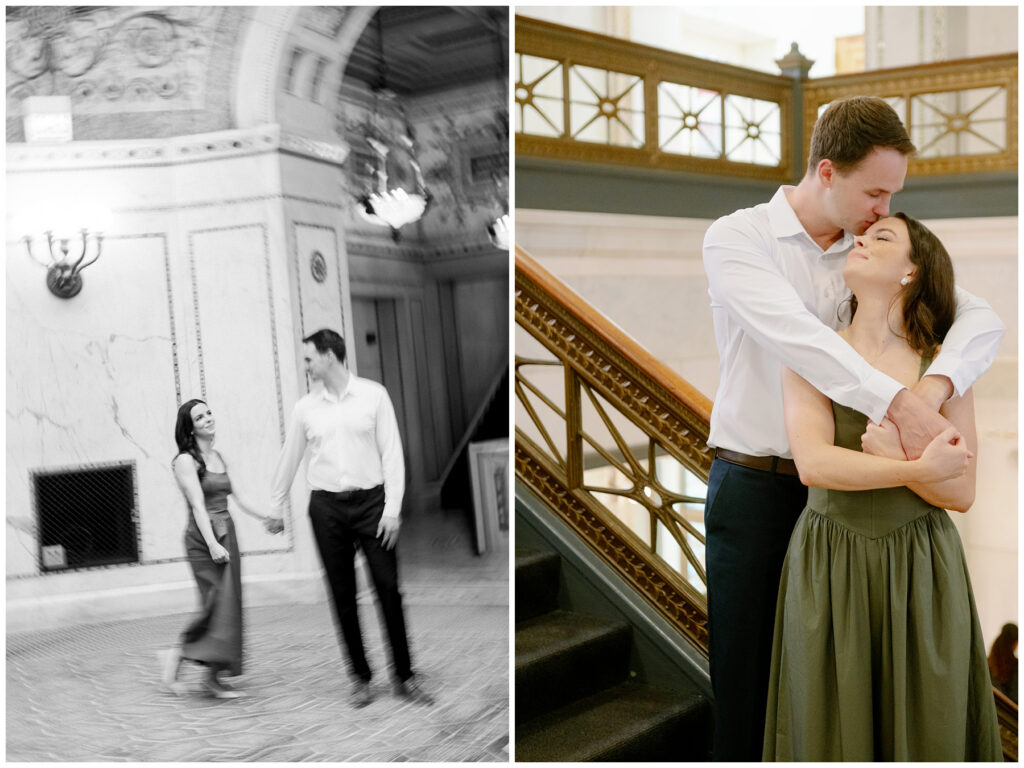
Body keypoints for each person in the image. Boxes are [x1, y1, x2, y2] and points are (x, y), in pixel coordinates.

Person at [701, 96, 1005, 760]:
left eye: (893, 195)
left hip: (856, 503)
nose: (883, 208)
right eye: (874, 192)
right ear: (827, 172)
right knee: (752, 690)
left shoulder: (868, 251)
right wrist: (901, 409)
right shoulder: (739, 238)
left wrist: (931, 389)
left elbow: (981, 318)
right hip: (757, 487)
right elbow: (802, 342)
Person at [762, 213, 1002, 760]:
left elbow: (962, 493)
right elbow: (815, 465)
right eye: (863, 235)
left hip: (922, 564)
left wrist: (900, 461)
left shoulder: (942, 366)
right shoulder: (813, 351)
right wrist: (914, 469)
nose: (861, 240)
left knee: (927, 722)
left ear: (911, 271)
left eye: (882, 237)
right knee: (828, 726)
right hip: (830, 559)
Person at [270, 328, 433, 708]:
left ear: (329, 356)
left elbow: (392, 454)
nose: (305, 365)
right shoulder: (305, 408)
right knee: (342, 594)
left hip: (373, 505)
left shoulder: (374, 395)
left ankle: (404, 676)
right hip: (326, 508)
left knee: (388, 588)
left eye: (309, 358)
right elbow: (289, 457)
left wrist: (392, 510)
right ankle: (360, 678)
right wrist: (277, 505)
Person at [160, 399, 284, 698]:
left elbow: (240, 497)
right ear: (190, 428)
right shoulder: (185, 461)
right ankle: (183, 659)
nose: (208, 418)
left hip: (227, 534)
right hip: (203, 539)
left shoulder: (219, 456)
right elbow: (198, 506)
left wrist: (267, 517)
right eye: (199, 417)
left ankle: (206, 674)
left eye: (209, 413)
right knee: (215, 602)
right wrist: (212, 543)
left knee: (228, 604)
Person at [989, 622, 1018, 703]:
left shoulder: (988, 662)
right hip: (1008, 709)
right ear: (1015, 643)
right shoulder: (1016, 666)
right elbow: (1015, 698)